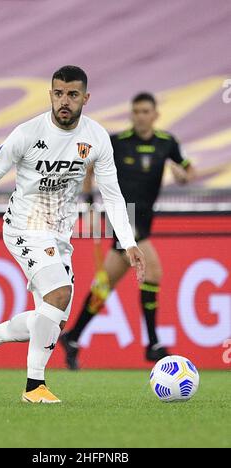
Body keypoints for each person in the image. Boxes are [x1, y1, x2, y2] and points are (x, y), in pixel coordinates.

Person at [0, 66, 145, 404]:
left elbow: (112, 194)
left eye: (72, 95)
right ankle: (34, 387)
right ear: (50, 95)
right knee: (59, 294)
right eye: (58, 93)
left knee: (51, 319)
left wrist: (129, 243)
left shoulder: (96, 137)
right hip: (24, 227)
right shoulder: (27, 133)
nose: (64, 101)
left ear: (85, 98)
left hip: (59, 233)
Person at [61, 92, 195, 369]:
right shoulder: (117, 142)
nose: (141, 116)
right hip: (123, 217)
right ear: (131, 114)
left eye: (146, 111)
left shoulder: (166, 143)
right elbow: (89, 167)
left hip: (144, 221)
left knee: (105, 284)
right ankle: (153, 343)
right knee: (153, 271)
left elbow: (188, 169)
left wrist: (183, 176)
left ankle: (72, 337)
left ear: (155, 114)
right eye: (136, 111)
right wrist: (87, 198)